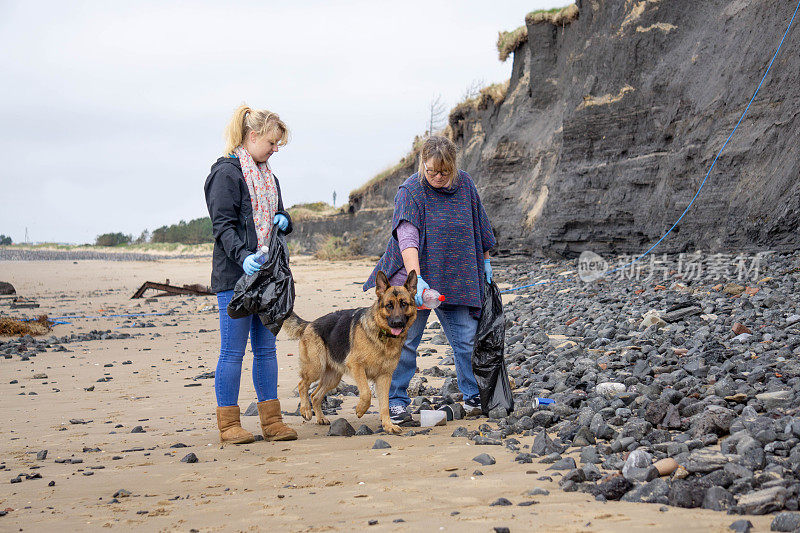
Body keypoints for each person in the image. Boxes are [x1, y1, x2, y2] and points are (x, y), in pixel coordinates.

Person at [363, 135, 496, 424]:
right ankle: (396, 402)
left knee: (466, 339)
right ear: (422, 163)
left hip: (458, 274)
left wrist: (485, 261)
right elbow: (406, 237)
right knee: (404, 342)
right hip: (415, 281)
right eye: (431, 170)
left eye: (443, 172)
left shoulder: (466, 185)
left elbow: (480, 225)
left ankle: (474, 395)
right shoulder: (411, 190)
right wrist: (417, 281)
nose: (436, 176)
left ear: (453, 167)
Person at [203, 104, 297, 444]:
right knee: (232, 351)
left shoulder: (269, 177)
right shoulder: (226, 174)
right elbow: (222, 226)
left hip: (268, 278)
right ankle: (229, 425)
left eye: (278, 145)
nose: (275, 150)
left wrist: (285, 220)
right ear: (253, 136)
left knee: (267, 349)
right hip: (235, 277)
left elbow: (279, 213)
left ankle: (271, 422)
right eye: (272, 143)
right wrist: (243, 258)